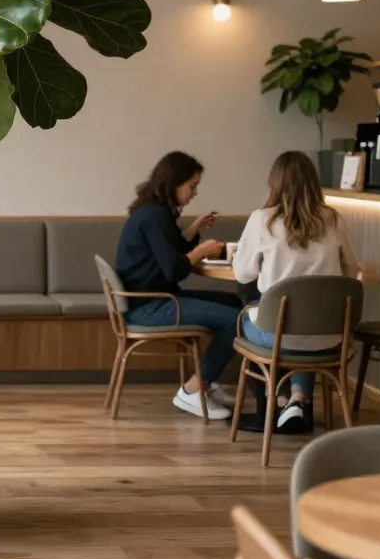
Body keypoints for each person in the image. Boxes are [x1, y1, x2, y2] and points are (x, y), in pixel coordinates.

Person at [232, 151, 360, 434]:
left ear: (274, 184)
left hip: (279, 337)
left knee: (247, 318)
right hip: (330, 337)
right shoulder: (334, 220)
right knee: (304, 325)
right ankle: (298, 400)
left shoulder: (262, 220)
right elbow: (352, 272)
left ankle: (279, 401)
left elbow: (242, 274)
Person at [116, 151, 242, 420]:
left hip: (152, 298)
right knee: (236, 319)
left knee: (234, 303)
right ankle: (193, 390)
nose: (195, 193)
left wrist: (194, 229)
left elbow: (169, 253)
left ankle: (206, 381)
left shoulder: (152, 213)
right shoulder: (154, 217)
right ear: (173, 183)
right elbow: (174, 269)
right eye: (192, 186)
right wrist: (202, 250)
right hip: (151, 305)